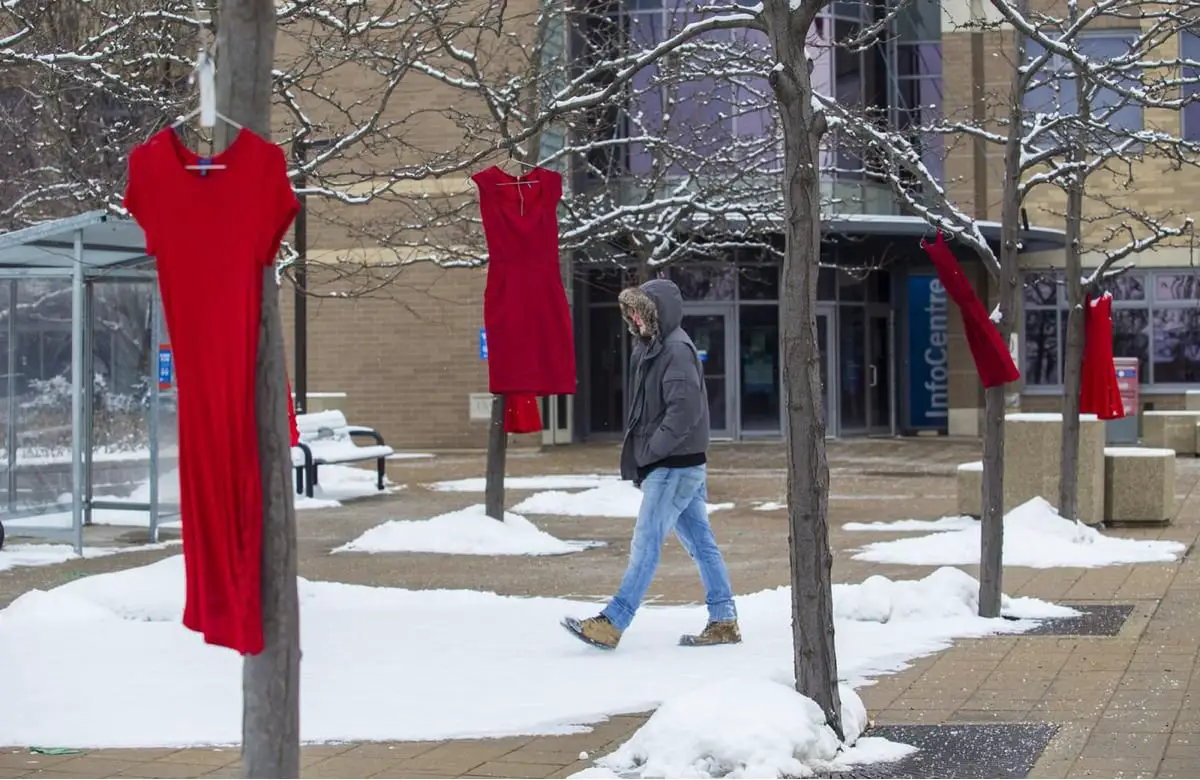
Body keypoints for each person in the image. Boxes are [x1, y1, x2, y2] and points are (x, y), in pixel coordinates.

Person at [562, 279, 739, 650]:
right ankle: (724, 619)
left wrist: (650, 452)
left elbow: (683, 411)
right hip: (678, 464)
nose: (635, 319)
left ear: (658, 313)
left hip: (674, 465)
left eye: (640, 312)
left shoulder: (675, 350)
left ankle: (613, 621)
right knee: (701, 544)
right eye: (631, 313)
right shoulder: (652, 349)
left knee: (646, 541)